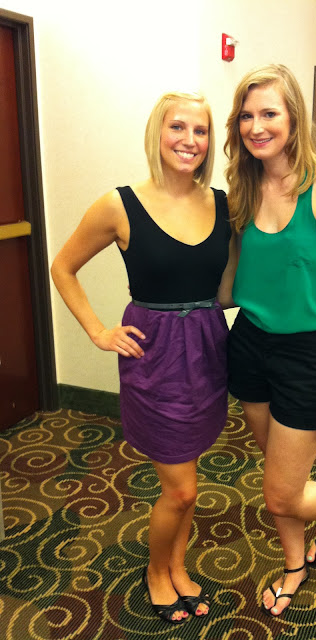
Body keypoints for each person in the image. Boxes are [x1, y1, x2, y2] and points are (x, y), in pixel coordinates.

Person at [51, 92, 236, 625]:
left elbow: (226, 288)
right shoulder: (120, 204)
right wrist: (97, 331)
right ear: (158, 132)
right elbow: (63, 267)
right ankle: (157, 572)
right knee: (181, 488)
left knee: (189, 479)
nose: (189, 140)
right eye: (178, 127)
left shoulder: (222, 203)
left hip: (206, 350)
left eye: (200, 130)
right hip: (154, 356)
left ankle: (177, 565)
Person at [224, 64, 316, 618]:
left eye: (269, 114)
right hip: (250, 344)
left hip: (309, 353)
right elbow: (232, 280)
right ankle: (294, 564)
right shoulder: (243, 186)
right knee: (278, 477)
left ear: (294, 118)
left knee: (282, 492)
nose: (256, 126)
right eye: (246, 116)